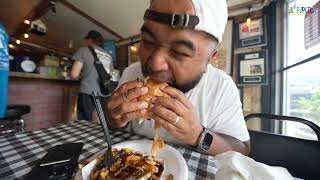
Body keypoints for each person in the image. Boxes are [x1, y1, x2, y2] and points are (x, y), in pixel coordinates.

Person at [106, 0, 250, 156]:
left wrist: (198, 135)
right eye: (148, 41)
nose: (155, 64)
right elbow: (113, 128)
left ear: (210, 59)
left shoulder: (221, 87)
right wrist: (114, 119)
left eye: (180, 52)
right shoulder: (131, 73)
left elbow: (242, 149)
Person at [71, 30, 113, 121]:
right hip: (105, 92)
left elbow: (74, 74)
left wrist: (84, 75)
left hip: (88, 91)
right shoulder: (108, 55)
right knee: (105, 121)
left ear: (90, 40)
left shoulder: (83, 50)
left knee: (84, 122)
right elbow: (110, 74)